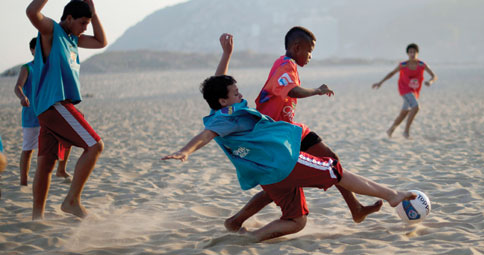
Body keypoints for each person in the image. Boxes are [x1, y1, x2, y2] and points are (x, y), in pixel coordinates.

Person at [162, 34, 416, 242]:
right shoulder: (226, 116)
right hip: (282, 155)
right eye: (236, 93)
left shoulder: (219, 111)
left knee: (297, 220)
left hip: (268, 166)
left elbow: (219, 84)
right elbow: (204, 135)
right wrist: (186, 150)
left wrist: (226, 55)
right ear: (224, 100)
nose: (241, 95)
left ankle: (246, 236)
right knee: (335, 170)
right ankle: (391, 195)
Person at [227, 27, 382, 231]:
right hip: (274, 138)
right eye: (309, 51)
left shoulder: (288, 66)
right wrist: (317, 90)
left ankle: (356, 209)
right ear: (297, 47)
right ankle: (235, 221)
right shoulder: (284, 64)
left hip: (289, 132)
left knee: (330, 159)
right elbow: (293, 90)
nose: (310, 56)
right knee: (283, 186)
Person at [26, 0, 106, 219]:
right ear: (68, 18)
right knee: (94, 145)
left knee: (46, 165)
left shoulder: (74, 39)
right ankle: (72, 201)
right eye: (82, 23)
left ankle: (37, 218)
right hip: (54, 104)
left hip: (48, 109)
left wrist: (93, 14)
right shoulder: (52, 31)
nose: (84, 29)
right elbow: (31, 12)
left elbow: (101, 42)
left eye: (86, 24)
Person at [14, 38, 71, 186]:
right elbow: (18, 86)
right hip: (31, 115)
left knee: (66, 138)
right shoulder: (27, 68)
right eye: (38, 49)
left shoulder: (50, 67)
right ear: (32, 51)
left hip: (50, 113)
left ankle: (61, 169)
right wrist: (22, 97)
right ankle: (23, 183)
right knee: (28, 150)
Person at [372, 43, 437, 138]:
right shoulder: (403, 65)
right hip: (404, 89)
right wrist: (380, 82)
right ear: (407, 54)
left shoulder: (421, 64)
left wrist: (430, 82)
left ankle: (390, 130)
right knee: (416, 107)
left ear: (417, 53)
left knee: (404, 112)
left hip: (414, 91)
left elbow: (434, 76)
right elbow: (391, 73)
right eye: (410, 52)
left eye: (414, 52)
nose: (412, 54)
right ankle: (406, 132)